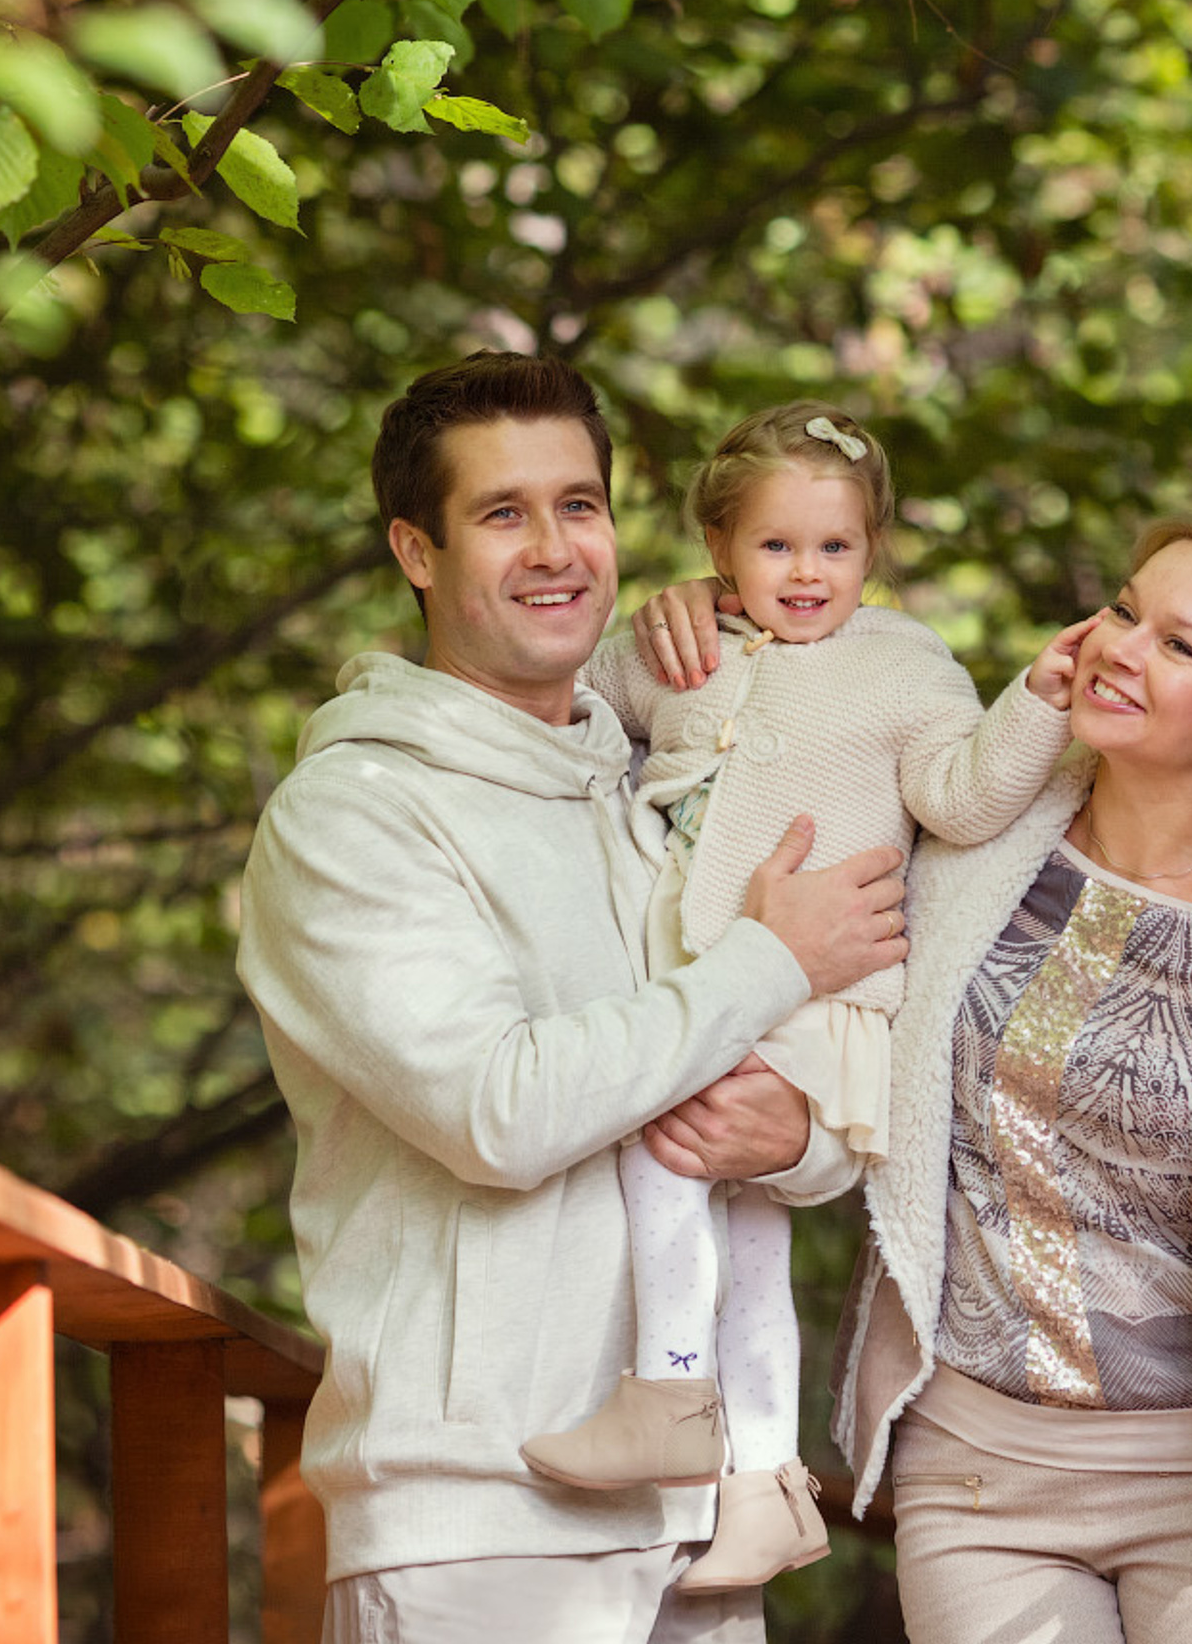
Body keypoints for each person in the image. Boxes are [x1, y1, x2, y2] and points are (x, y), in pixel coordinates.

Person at [236, 353, 911, 1644]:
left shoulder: (652, 780)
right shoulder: (355, 814)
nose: (556, 549)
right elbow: (500, 1108)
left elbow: (752, 1071)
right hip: (478, 1525)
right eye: (502, 514)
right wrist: (774, 960)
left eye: (580, 505)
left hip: (693, 1528)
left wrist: (801, 1139)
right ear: (414, 550)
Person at [822, 512, 1192, 1644]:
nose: (1120, 647)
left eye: (1179, 644)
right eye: (1124, 609)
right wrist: (705, 616)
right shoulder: (967, 842)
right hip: (976, 1477)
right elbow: (791, 713)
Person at [518, 401, 1099, 1596]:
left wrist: (1035, 697)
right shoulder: (688, 644)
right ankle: (768, 1486)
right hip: (711, 974)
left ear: (872, 551)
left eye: (836, 548)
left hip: (815, 990)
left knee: (660, 1150)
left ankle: (670, 1396)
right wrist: (654, 614)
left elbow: (965, 797)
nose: (807, 573)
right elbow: (588, 714)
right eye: (776, 546)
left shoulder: (901, 664)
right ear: (722, 548)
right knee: (752, 1236)